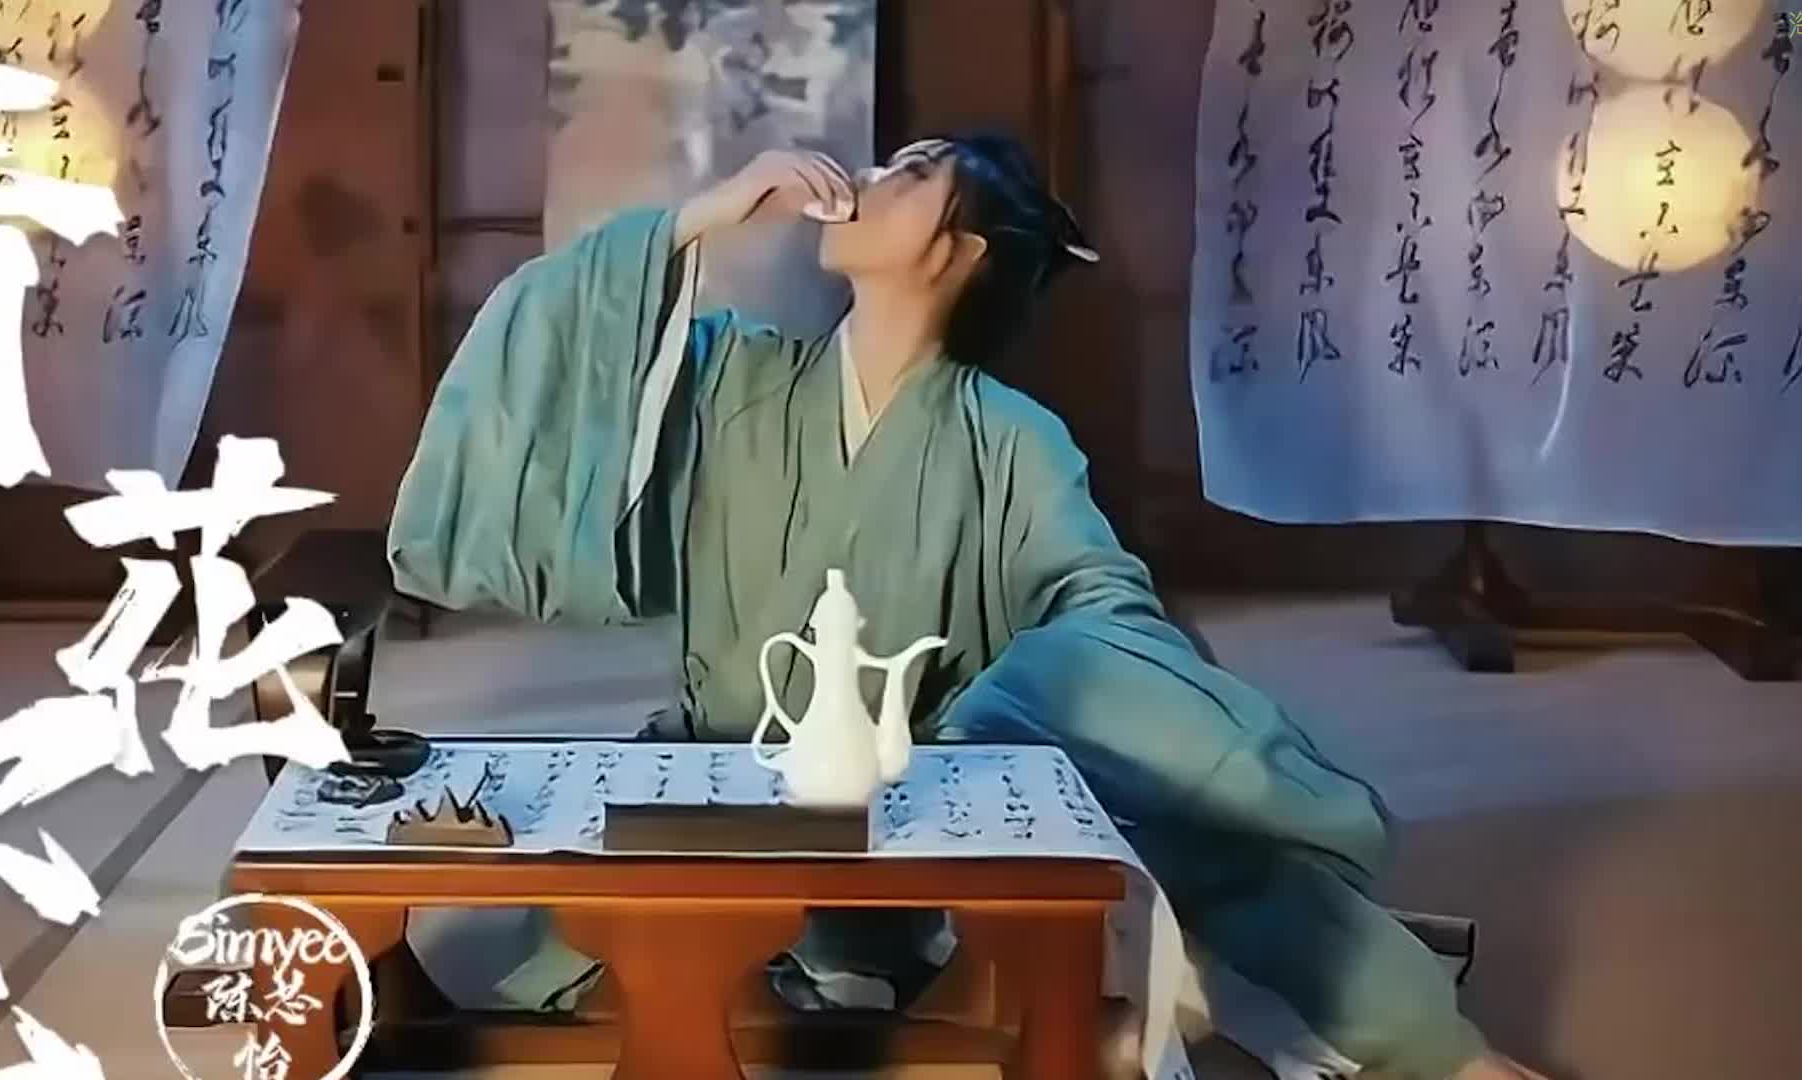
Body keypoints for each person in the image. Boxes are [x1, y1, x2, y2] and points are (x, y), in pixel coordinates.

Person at [386, 134, 1548, 1080]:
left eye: (911, 172)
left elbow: (1096, 600)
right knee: (594, 947)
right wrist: (703, 216)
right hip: (710, 784)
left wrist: (1014, 707)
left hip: (895, 819)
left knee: (1165, 806)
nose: (866, 175)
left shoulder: (1010, 441)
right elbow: (562, 351)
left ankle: (1430, 1047)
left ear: (961, 249)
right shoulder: (739, 376)